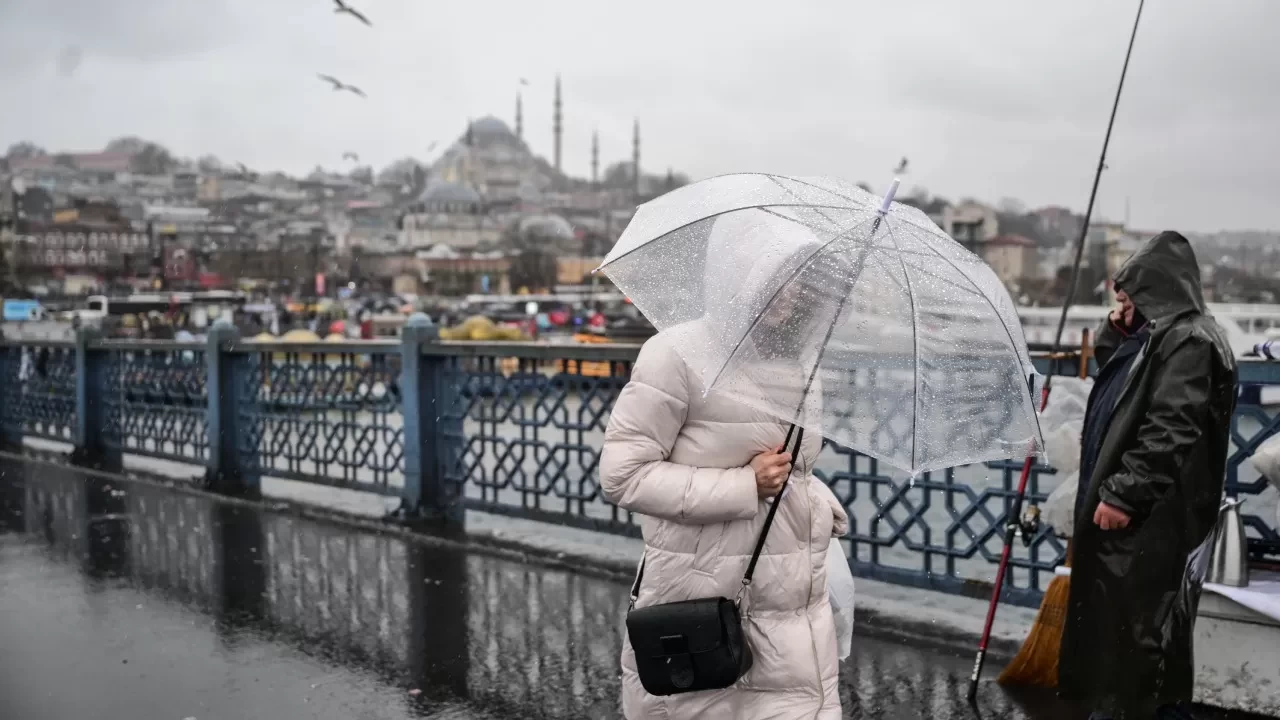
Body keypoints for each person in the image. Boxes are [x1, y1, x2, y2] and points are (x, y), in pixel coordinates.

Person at [600, 209, 849, 720]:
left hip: (795, 601)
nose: (789, 294)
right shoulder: (675, 354)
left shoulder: (804, 363)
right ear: (736, 276)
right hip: (707, 597)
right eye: (773, 278)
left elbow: (792, 468)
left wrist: (815, 499)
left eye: (799, 281)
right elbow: (624, 476)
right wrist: (744, 485)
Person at [1059, 231, 1238, 720]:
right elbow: (1122, 382)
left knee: (1141, 638)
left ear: (1156, 289)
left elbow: (1170, 425)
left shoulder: (1190, 340)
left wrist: (1125, 494)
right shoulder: (1164, 335)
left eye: (1130, 294)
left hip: (1153, 518)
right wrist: (1118, 331)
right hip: (1144, 516)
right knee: (1125, 632)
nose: (1122, 301)